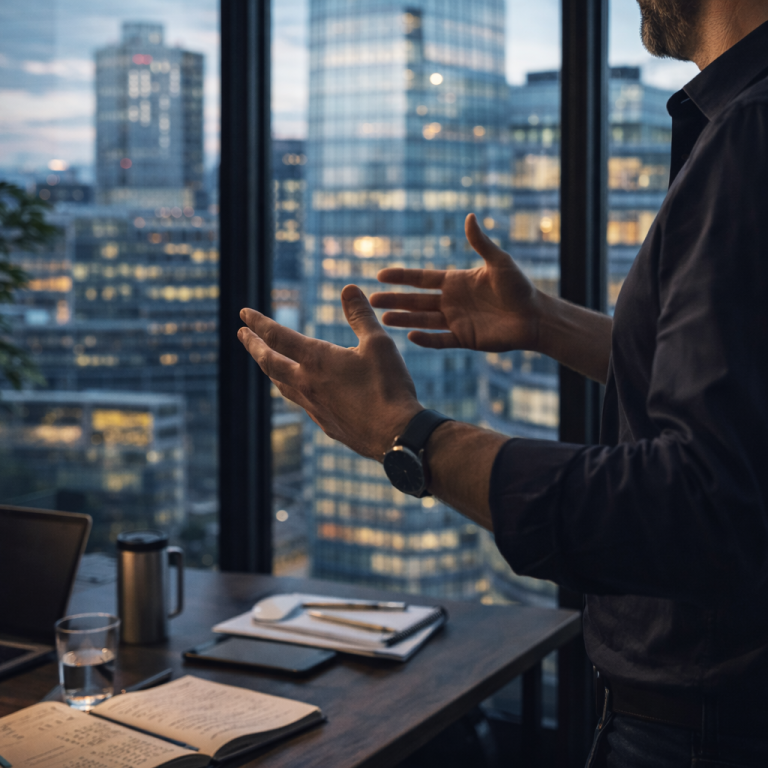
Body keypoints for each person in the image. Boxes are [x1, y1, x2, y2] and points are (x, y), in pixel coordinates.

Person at [238, 1, 768, 765]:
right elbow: (742, 388)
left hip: (704, 736)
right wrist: (547, 325)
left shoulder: (750, 131)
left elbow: (703, 501)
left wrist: (409, 435)